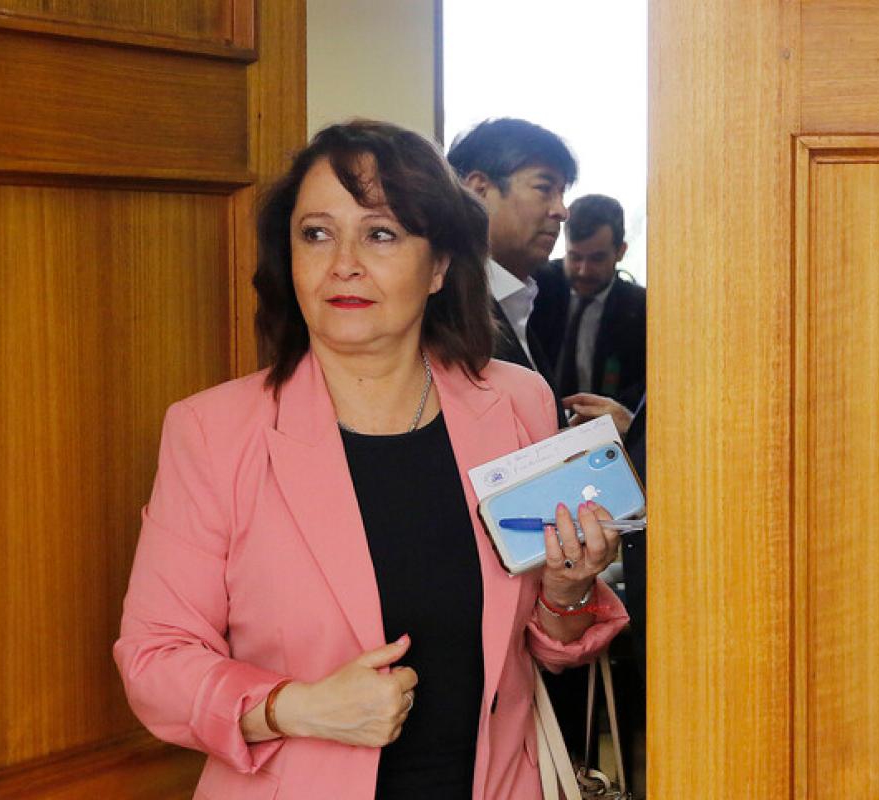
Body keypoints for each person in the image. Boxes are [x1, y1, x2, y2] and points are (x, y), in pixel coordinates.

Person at [114, 120, 628, 800]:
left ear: (439, 265)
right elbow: (154, 659)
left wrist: (566, 593)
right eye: (316, 234)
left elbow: (545, 648)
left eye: (380, 234)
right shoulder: (214, 432)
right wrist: (293, 707)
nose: (343, 263)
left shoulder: (515, 403)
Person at [446, 118, 578, 397]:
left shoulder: (531, 298)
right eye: (544, 188)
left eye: (561, 193)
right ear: (479, 191)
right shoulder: (441, 307)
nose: (561, 211)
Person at [531, 194, 646, 413]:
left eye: (597, 259)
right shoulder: (536, 286)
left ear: (620, 251)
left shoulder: (641, 309)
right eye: (574, 257)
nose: (583, 271)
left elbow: (644, 387)